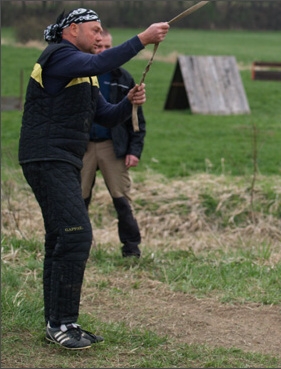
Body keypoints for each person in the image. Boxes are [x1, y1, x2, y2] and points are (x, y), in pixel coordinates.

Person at [18, 8, 169, 350]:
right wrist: (142, 40)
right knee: (77, 235)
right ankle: (62, 323)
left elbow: (106, 114)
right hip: (47, 157)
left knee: (60, 239)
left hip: (62, 160)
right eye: (96, 31)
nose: (101, 38)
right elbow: (96, 64)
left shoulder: (82, 72)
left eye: (103, 33)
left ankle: (56, 323)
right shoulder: (59, 56)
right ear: (72, 30)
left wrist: (128, 102)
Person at [81, 29, 145, 258]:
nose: (103, 51)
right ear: (92, 46)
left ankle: (131, 250)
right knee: (78, 200)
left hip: (113, 146)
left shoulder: (123, 78)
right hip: (82, 148)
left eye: (108, 47)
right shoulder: (79, 74)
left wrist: (134, 150)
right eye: (100, 47)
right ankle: (78, 248)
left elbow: (137, 119)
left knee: (122, 201)